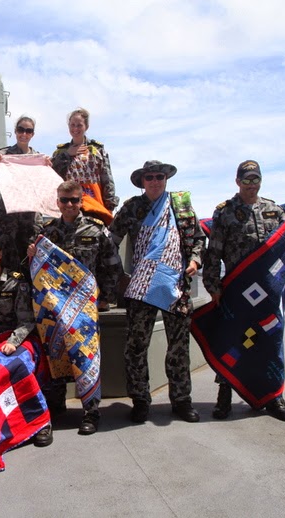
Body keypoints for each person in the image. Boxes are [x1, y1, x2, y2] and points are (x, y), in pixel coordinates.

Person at [109, 161, 205, 424]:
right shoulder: (131, 207)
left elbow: (198, 239)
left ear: (166, 179)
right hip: (141, 288)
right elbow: (111, 241)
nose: (155, 181)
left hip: (175, 286)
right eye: (149, 177)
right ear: (142, 181)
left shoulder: (181, 206)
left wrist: (195, 260)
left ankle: (182, 401)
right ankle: (140, 401)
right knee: (136, 347)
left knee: (179, 347)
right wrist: (120, 275)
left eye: (159, 176)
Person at [27, 180, 122, 435]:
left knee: (85, 356)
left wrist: (105, 298)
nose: (69, 205)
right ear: (57, 202)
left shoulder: (96, 229)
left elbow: (113, 264)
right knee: (55, 353)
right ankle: (56, 406)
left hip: (84, 309)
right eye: (64, 200)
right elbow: (34, 268)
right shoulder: (46, 233)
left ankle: (91, 411)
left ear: (81, 201)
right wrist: (31, 254)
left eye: (74, 200)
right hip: (54, 306)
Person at [203, 160, 285, 421]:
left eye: (255, 179)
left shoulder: (274, 211)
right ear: (237, 182)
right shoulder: (225, 212)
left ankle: (274, 396)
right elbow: (213, 252)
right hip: (237, 289)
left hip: (268, 292)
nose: (251, 185)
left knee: (270, 342)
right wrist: (213, 286)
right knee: (234, 341)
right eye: (246, 180)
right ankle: (224, 396)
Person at [0, 235, 52, 447]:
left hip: (19, 337)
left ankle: (41, 421)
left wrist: (13, 342)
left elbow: (26, 320)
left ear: (1, 254)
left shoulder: (16, 281)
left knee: (20, 366)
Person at [0, 115, 46, 273]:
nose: (24, 134)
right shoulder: (4, 154)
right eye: (21, 129)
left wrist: (47, 166)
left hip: (30, 220)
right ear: (15, 131)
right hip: (8, 219)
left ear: (32, 134)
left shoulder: (38, 158)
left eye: (28, 131)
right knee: (7, 263)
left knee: (30, 264)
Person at [51, 108, 118, 224]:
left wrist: (110, 204)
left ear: (86, 126)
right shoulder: (60, 152)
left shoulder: (97, 150)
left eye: (79, 125)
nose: (75, 128)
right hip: (69, 204)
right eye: (72, 125)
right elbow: (53, 176)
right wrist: (67, 155)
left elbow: (107, 179)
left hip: (94, 203)